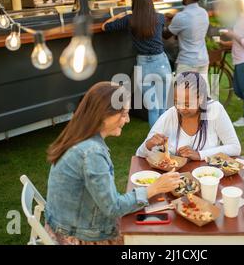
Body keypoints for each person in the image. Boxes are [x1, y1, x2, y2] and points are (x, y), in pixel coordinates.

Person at [45, 82, 181, 245]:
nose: (128, 120)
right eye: (123, 114)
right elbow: (113, 208)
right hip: (79, 237)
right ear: (103, 114)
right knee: (155, 238)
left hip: (65, 225)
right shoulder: (92, 153)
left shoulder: (78, 137)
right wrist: (154, 188)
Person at [102, 0, 172, 127]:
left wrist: (122, 13)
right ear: (149, 2)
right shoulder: (160, 17)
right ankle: (165, 142)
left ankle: (156, 142)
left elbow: (105, 27)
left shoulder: (129, 19)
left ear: (134, 3)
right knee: (163, 108)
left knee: (153, 108)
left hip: (144, 65)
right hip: (161, 63)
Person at [136, 71, 241, 161]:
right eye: (177, 102)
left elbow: (235, 147)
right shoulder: (171, 114)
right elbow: (139, 154)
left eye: (187, 104)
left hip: (208, 178)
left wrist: (200, 155)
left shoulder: (214, 110)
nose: (181, 108)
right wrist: (149, 145)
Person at [163, 0, 209, 78]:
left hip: (187, 63)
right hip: (203, 61)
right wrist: (174, 18)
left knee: (183, 93)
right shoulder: (204, 13)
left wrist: (159, 22)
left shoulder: (181, 17)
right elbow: (191, 23)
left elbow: (165, 35)